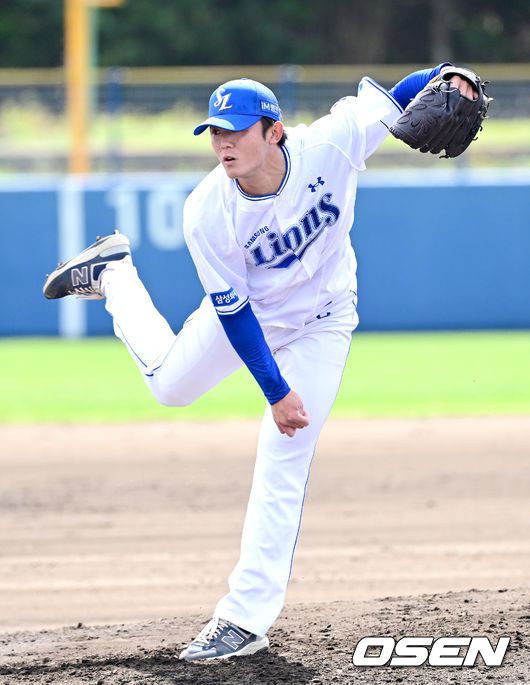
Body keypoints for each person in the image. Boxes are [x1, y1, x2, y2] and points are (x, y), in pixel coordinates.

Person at [44, 66, 476, 662]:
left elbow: (399, 96)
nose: (223, 143)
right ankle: (113, 274)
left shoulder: (331, 142)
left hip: (324, 319)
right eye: (216, 132)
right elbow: (235, 312)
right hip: (255, 317)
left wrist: (452, 75)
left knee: (284, 458)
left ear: (274, 131)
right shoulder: (207, 212)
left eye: (237, 131)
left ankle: (243, 620)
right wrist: (275, 390)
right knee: (170, 388)